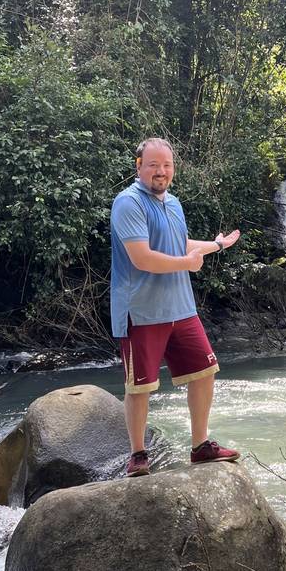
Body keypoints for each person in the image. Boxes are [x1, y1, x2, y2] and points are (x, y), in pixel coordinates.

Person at [110, 137, 241, 476]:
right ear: (138, 165)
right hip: (140, 312)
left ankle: (200, 446)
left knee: (205, 371)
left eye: (166, 166)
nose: (161, 172)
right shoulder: (128, 203)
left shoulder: (174, 204)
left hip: (181, 308)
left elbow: (179, 244)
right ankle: (138, 455)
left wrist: (217, 245)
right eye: (153, 165)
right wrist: (187, 263)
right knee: (139, 387)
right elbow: (142, 258)